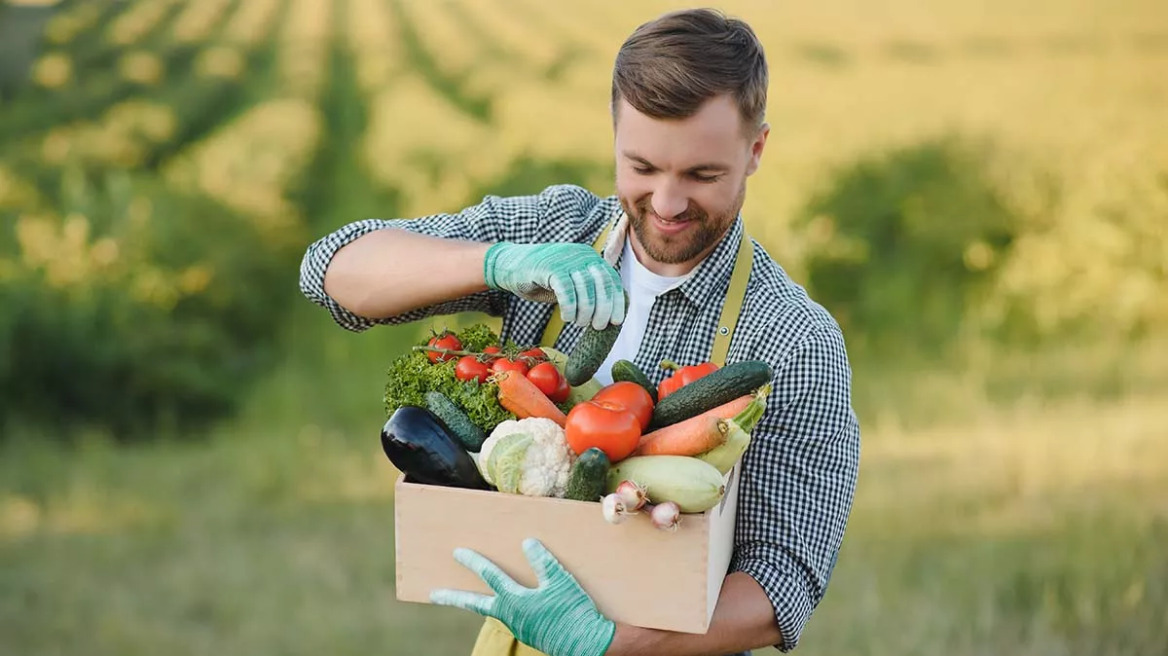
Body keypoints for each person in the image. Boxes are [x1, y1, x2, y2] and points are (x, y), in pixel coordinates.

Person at [299, 8, 860, 656]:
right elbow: (331, 270)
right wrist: (498, 262)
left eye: (701, 175)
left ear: (755, 150)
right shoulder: (558, 228)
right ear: (615, 135)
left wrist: (602, 644)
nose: (668, 203)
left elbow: (780, 587)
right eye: (642, 167)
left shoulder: (795, 340)